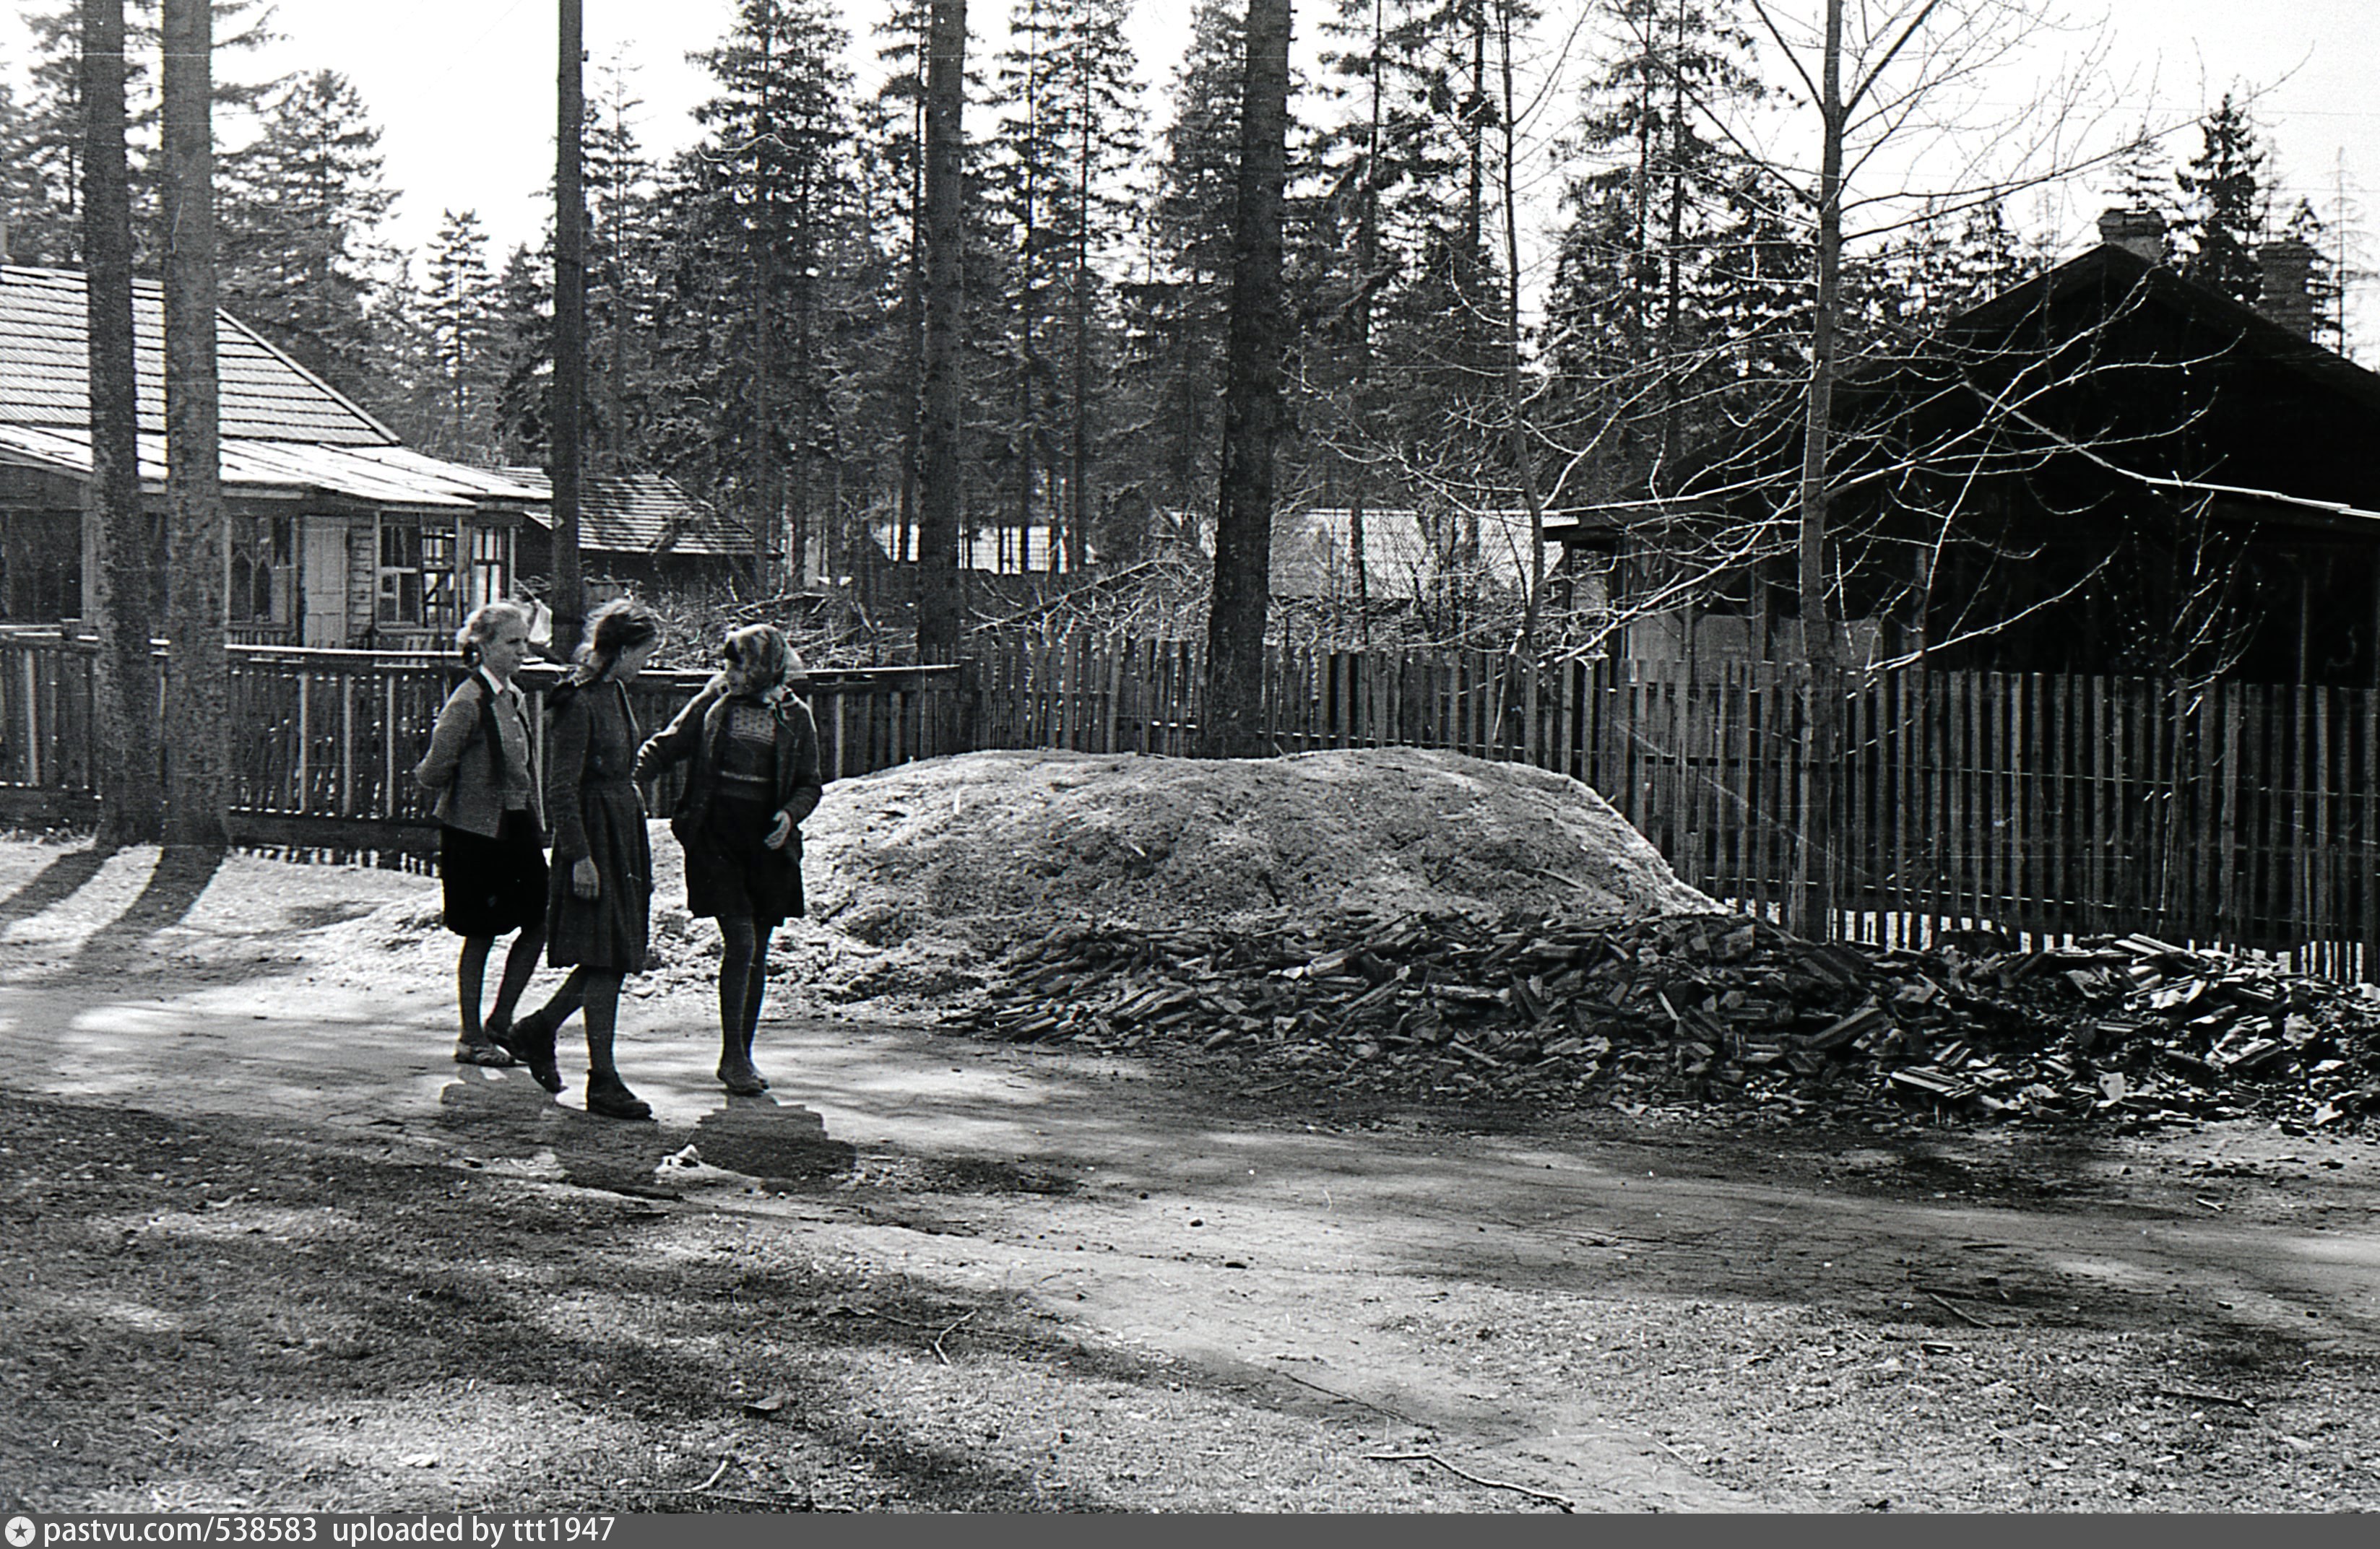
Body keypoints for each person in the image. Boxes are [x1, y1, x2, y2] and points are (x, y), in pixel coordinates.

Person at [636, 624, 824, 1096]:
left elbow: (809, 783)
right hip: (716, 836)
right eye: (728, 664)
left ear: (766, 666)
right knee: (739, 940)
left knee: (756, 949)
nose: (730, 673)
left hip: (766, 844)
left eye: (740, 664)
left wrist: (789, 814)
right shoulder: (713, 702)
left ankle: (741, 1052)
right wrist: (627, 781)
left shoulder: (794, 715)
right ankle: (733, 1057)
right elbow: (668, 744)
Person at [495, 599, 662, 1119]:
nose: (646, 665)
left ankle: (538, 1029)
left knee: (610, 956)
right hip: (592, 835)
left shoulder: (615, 692)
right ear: (621, 650)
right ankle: (602, 1078)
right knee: (606, 958)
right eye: (643, 654)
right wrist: (580, 858)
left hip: (621, 831)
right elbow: (562, 788)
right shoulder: (579, 699)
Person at [411, 602, 545, 1069]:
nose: (521, 652)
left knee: (539, 919)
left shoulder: (513, 697)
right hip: (475, 833)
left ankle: (500, 1022)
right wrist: (468, 789)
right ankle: (470, 1037)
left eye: (524, 642)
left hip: (517, 827)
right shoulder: (467, 702)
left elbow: (524, 767)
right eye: (511, 643)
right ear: (482, 645)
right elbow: (431, 772)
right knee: (481, 932)